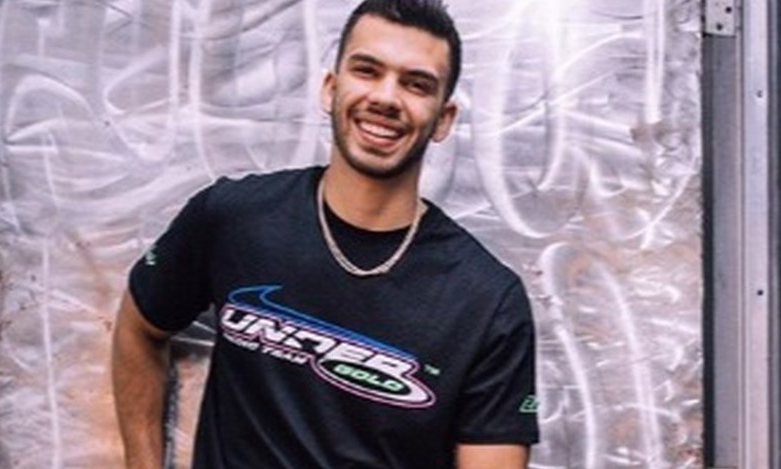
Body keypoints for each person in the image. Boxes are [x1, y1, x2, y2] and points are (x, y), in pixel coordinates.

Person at [111, 0, 539, 467]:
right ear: (330, 89)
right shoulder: (232, 219)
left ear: (443, 119)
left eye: (416, 84)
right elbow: (138, 328)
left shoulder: (487, 302)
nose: (386, 98)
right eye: (367, 71)